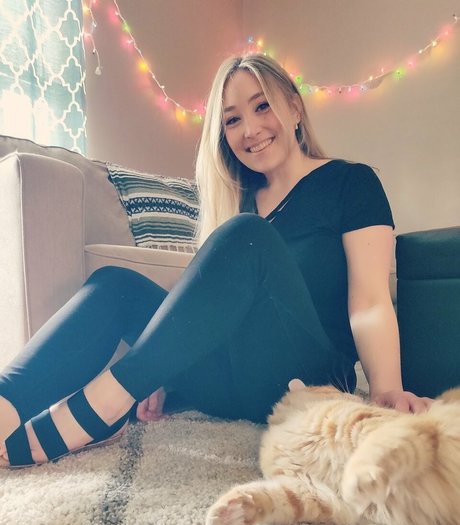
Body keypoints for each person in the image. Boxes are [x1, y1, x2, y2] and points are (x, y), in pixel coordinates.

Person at [0, 53, 431, 469]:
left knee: (247, 234)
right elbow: (206, 312)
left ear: (295, 108)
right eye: (232, 120)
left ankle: (107, 402)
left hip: (306, 383)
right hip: (230, 384)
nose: (251, 129)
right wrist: (161, 371)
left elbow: (370, 301)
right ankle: (6, 405)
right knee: (113, 285)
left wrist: (386, 389)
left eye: (262, 106)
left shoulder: (350, 182)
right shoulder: (241, 200)